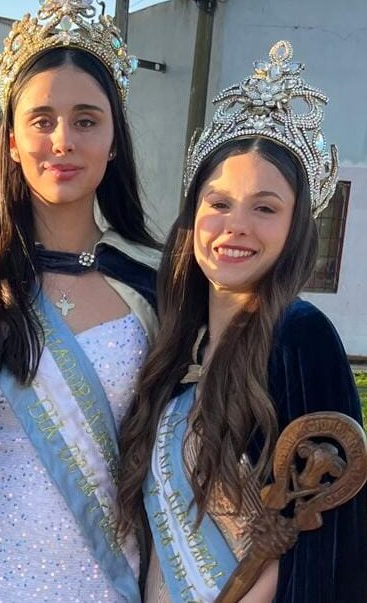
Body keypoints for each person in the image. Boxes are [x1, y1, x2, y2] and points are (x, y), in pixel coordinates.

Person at [117, 41, 367, 603]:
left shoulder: (300, 338)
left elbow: (325, 542)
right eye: (219, 203)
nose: (236, 225)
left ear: (296, 226)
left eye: (265, 207)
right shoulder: (176, 346)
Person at [0, 1, 159, 600]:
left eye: (86, 120)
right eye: (42, 120)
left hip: (111, 574)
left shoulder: (156, 286)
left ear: (114, 140)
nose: (63, 141)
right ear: (12, 141)